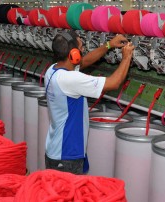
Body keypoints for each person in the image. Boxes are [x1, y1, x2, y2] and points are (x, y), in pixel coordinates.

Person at [44, 30, 134, 174]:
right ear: (73, 54)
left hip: (56, 150)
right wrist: (126, 57)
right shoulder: (70, 79)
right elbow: (114, 83)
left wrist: (109, 45)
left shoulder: (52, 71)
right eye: (81, 48)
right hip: (67, 154)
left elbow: (84, 61)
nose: (83, 50)